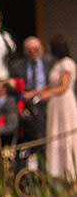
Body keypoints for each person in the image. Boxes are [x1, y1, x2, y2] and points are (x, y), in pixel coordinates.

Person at [42, 37, 77, 182]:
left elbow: (63, 86)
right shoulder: (56, 64)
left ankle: (70, 173)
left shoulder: (67, 63)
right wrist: (36, 93)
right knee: (55, 133)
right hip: (55, 104)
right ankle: (58, 174)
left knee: (65, 134)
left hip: (64, 103)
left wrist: (48, 94)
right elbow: (51, 85)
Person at [14, 34, 52, 149]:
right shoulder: (17, 66)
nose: (33, 53)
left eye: (36, 49)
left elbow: (55, 84)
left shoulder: (50, 62)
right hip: (27, 104)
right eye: (30, 50)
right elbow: (15, 89)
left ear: (42, 49)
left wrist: (36, 93)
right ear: (25, 52)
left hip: (48, 99)